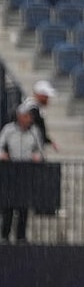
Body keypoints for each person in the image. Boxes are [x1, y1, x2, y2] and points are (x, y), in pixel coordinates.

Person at [0, 102, 44, 244]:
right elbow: (0, 146)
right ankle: (4, 235)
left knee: (23, 206)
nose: (29, 119)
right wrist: (2, 155)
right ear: (19, 117)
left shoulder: (34, 131)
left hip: (26, 172)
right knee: (8, 206)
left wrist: (37, 156)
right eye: (26, 116)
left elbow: (39, 150)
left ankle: (21, 236)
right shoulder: (8, 130)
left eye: (29, 116)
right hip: (11, 171)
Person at [21, 80, 60, 155]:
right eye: (46, 96)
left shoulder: (35, 109)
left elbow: (40, 130)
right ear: (40, 95)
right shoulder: (32, 109)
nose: (48, 99)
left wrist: (49, 141)